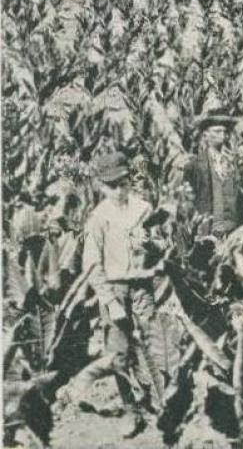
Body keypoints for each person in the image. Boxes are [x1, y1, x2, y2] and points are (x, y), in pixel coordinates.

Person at [61, 151, 161, 439]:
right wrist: (110, 301)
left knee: (151, 345)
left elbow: (163, 246)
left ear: (129, 181)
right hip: (114, 288)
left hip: (142, 286)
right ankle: (131, 408)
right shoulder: (98, 218)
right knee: (119, 352)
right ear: (101, 187)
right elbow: (92, 265)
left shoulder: (143, 209)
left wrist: (152, 243)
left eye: (122, 183)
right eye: (111, 185)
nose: (118, 190)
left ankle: (155, 399)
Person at [182, 110, 243, 239]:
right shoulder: (194, 166)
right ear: (206, 135)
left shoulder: (234, 164)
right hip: (207, 231)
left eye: (224, 132)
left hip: (234, 232)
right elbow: (187, 202)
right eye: (217, 131)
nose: (222, 135)